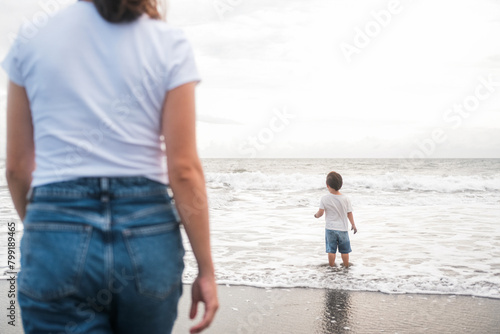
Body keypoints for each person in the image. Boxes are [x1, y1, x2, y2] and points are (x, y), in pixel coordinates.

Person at [2, 0, 218, 333]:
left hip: (56, 231)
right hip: (147, 238)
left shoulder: (31, 38)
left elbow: (16, 168)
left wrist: (49, 229)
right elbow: (184, 170)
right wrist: (206, 271)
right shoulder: (168, 42)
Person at [314, 171, 357, 268]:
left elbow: (320, 213)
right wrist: (353, 225)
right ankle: (346, 267)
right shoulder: (345, 198)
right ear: (341, 185)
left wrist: (315, 215)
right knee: (345, 250)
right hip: (343, 229)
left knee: (331, 250)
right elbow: (349, 213)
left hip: (330, 229)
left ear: (327, 185)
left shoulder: (324, 198)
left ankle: (332, 267)